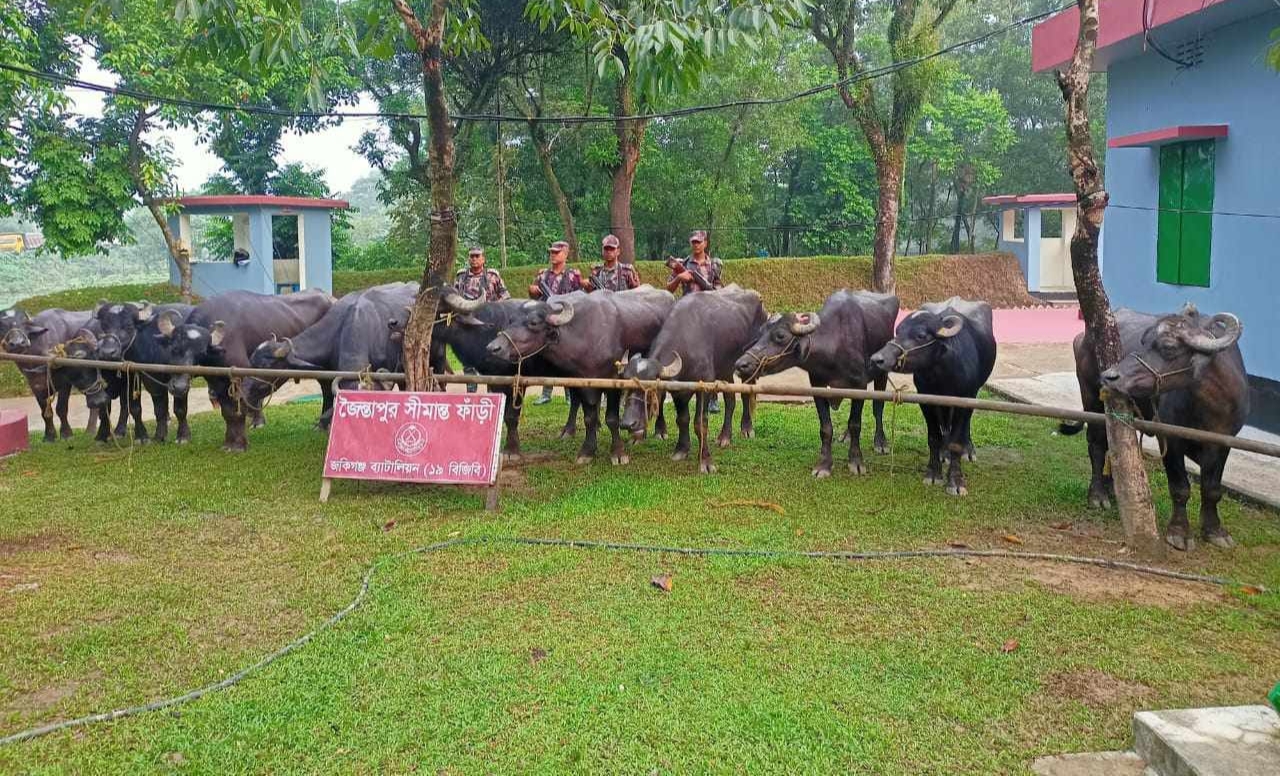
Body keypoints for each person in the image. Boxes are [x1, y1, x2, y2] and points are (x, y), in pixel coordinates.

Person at [666, 230, 724, 411]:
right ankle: (681, 389)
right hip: (687, 318)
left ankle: (712, 395)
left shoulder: (714, 265)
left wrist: (708, 288)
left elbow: (720, 291)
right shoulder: (682, 264)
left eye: (699, 242)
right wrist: (679, 277)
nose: (696, 245)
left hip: (708, 317)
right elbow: (668, 289)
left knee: (711, 356)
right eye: (693, 242)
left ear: (705, 243)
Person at [529, 240, 583, 404]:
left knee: (566, 357)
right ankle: (546, 392)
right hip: (547, 321)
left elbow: (580, 298)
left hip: (566, 320)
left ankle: (568, 393)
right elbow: (535, 296)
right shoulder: (542, 275)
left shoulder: (573, 275)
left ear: (565, 254)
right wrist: (531, 291)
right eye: (552, 252)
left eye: (557, 252)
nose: (553, 255)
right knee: (547, 356)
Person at [453, 247, 510, 392]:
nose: (474, 259)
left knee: (490, 357)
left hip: (489, 324)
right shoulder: (461, 276)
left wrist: (495, 308)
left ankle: (491, 390)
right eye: (471, 256)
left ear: (483, 259)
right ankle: (471, 391)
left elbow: (505, 295)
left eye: (477, 256)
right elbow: (454, 297)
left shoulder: (492, 276)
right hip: (468, 324)